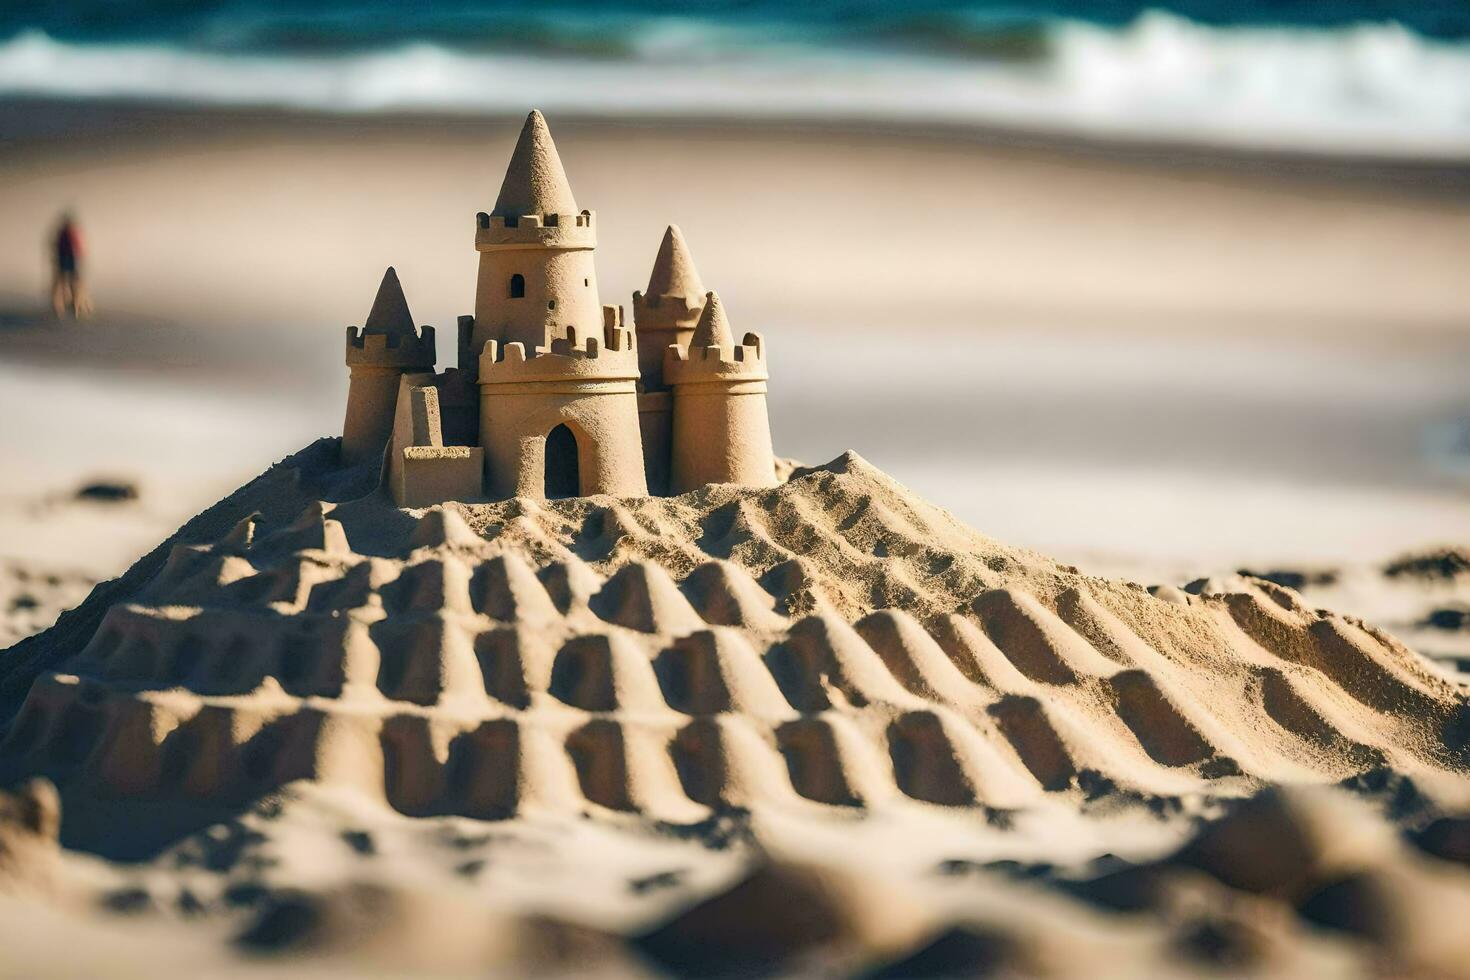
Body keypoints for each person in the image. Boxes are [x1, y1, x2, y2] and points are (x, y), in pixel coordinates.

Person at [50, 213, 91, 319]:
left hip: (68, 259)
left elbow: (75, 248)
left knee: (69, 282)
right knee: (66, 282)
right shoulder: (68, 234)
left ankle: (71, 305)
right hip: (67, 259)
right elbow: (77, 248)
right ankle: (67, 305)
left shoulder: (67, 234)